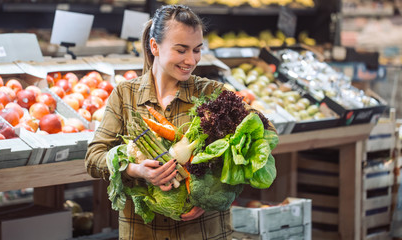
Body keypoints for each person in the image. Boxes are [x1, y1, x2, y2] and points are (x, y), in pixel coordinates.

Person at [86, 4, 272, 239]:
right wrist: (136, 170)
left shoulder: (211, 92)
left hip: (202, 231)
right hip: (143, 231)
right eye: (181, 50)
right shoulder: (126, 94)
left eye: (197, 49)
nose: (191, 59)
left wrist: (213, 190)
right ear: (155, 46)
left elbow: (264, 132)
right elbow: (93, 158)